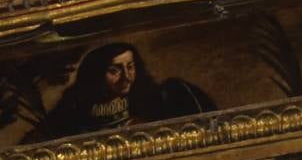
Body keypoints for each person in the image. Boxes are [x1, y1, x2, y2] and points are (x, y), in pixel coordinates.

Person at [24, 42, 214, 143]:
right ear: (97, 75)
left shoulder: (162, 97)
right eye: (114, 71)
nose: (126, 77)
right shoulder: (73, 109)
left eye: (130, 67)